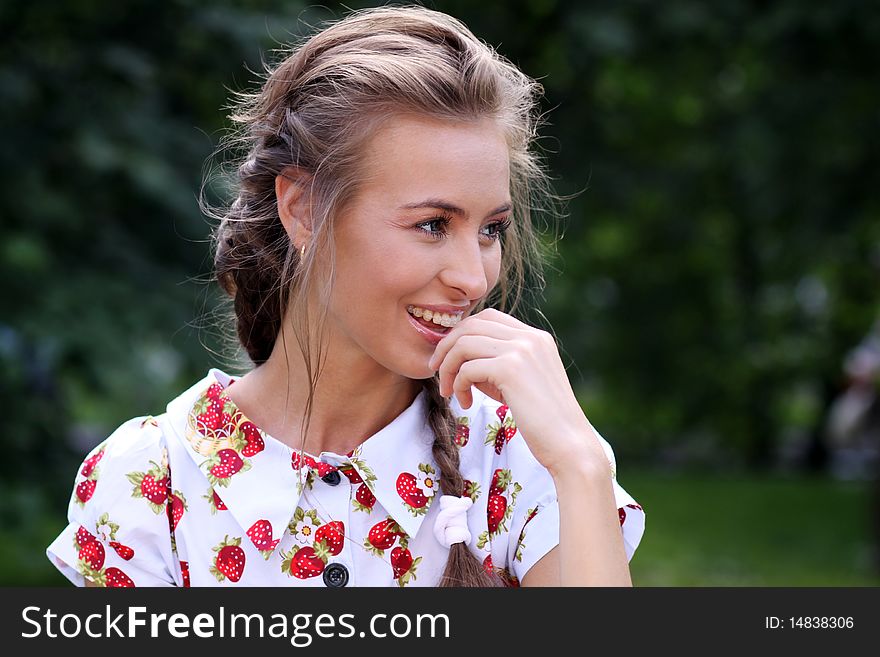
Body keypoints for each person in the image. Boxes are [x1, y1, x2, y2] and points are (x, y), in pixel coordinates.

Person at [46, 4, 645, 587]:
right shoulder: (149, 483)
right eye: (433, 224)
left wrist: (583, 464)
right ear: (302, 209)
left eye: (490, 230)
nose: (473, 278)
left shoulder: (525, 462)